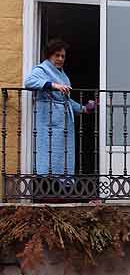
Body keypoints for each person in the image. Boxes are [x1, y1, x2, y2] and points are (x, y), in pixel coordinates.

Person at [23, 37, 93, 178]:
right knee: (48, 154)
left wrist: (84, 108)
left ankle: (59, 188)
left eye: (63, 56)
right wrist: (53, 85)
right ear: (49, 55)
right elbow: (29, 82)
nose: (60, 59)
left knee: (63, 155)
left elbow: (66, 100)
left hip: (63, 122)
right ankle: (46, 186)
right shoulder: (42, 69)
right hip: (49, 120)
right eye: (57, 55)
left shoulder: (63, 76)